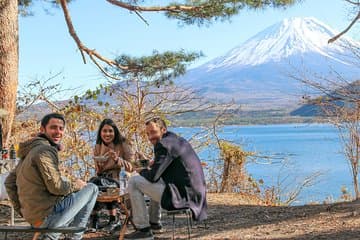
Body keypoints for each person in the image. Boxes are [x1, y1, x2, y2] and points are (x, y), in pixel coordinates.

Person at [5, 113, 98, 240]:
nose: (58, 132)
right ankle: (72, 237)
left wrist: (23, 212)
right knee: (92, 188)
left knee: (70, 189)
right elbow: (57, 187)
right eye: (53, 127)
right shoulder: (45, 150)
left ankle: (54, 234)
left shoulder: (30, 152)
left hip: (34, 218)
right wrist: (77, 185)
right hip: (47, 217)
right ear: (42, 129)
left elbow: (9, 183)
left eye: (61, 128)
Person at [124, 117, 207, 240]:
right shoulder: (177, 140)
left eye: (153, 132)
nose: (150, 137)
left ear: (163, 129)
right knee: (152, 180)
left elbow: (153, 177)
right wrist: (151, 164)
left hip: (183, 197)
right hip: (195, 195)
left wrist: (140, 170)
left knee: (134, 181)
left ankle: (143, 230)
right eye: (147, 133)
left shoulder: (163, 145)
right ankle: (154, 224)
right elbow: (163, 167)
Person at [89, 118, 134, 232]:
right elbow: (98, 172)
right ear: (100, 133)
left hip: (120, 178)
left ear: (115, 132)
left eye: (110, 131)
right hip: (103, 178)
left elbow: (132, 166)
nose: (107, 134)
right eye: (104, 131)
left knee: (107, 185)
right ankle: (94, 219)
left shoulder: (123, 143)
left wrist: (117, 159)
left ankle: (114, 219)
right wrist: (99, 164)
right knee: (93, 183)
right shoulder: (98, 146)